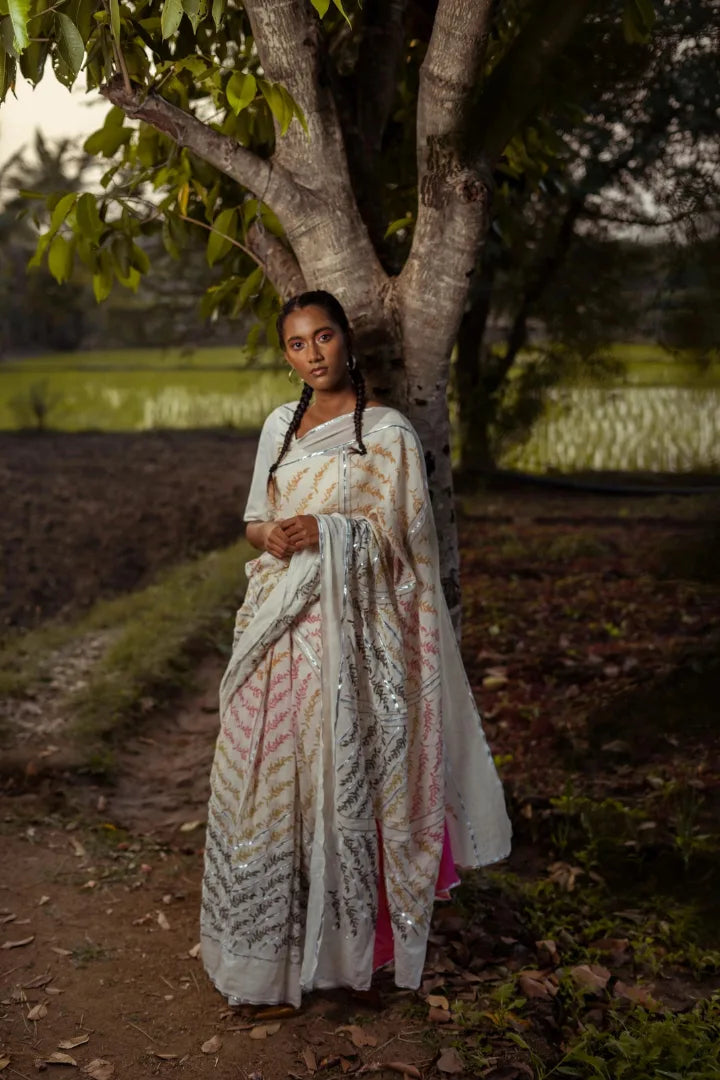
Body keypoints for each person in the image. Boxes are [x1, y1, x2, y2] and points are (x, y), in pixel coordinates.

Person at [200, 290, 511, 1008]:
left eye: (325, 337)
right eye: (299, 343)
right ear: (286, 355)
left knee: (339, 775)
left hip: (350, 639)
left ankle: (342, 952)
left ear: (347, 342)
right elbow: (255, 518)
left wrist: (333, 533)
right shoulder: (280, 426)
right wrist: (273, 535)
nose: (314, 354)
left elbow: (408, 545)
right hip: (278, 628)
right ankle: (264, 952)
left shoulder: (390, 432)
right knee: (266, 777)